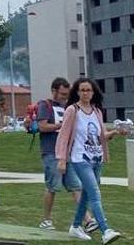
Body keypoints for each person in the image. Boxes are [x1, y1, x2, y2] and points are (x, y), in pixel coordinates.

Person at [55, 77, 126, 243]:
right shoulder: (73, 110)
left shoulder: (97, 111)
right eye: (82, 90)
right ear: (77, 92)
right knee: (94, 193)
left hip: (97, 158)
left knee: (87, 194)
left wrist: (116, 132)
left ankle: (76, 226)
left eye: (89, 90)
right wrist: (62, 159)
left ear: (94, 92)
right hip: (80, 158)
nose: (86, 93)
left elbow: (100, 136)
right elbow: (63, 135)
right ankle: (105, 230)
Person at [37, 77, 96, 233]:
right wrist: (61, 125)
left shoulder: (70, 106)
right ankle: (46, 219)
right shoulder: (45, 105)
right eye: (62, 94)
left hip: (68, 153)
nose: (64, 97)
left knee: (76, 186)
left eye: (66, 94)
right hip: (51, 151)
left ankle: (88, 220)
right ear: (54, 91)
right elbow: (42, 126)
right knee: (53, 186)